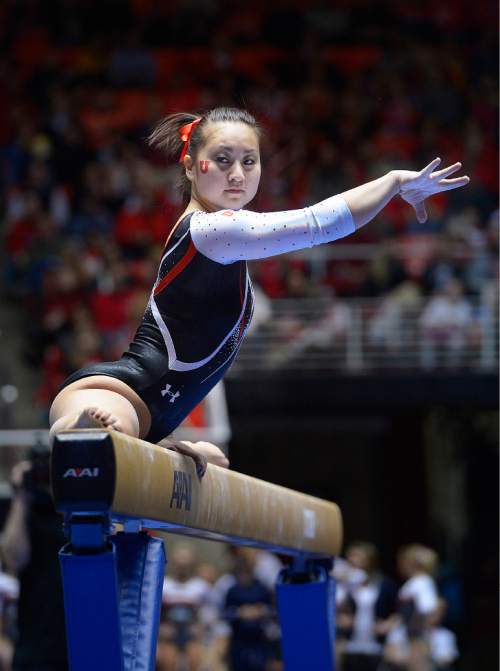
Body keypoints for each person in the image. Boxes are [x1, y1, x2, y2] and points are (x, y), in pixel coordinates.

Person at [48, 107, 469, 474]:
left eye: (249, 161)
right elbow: (320, 223)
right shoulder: (212, 229)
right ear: (192, 167)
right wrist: (393, 181)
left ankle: (128, 440)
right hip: (117, 394)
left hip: (153, 418)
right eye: (223, 159)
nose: (237, 174)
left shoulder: (222, 243)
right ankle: (78, 429)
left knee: (215, 460)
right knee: (99, 439)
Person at [0, 444, 68, 671]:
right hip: (35, 635)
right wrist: (20, 495)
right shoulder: (24, 511)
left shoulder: (74, 508)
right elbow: (13, 559)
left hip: (73, 631)